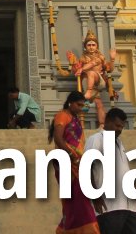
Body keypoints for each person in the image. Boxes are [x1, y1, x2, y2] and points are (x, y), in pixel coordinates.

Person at [85, 108, 136, 233]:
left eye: (122, 127)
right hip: (108, 206)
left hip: (130, 207)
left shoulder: (119, 143)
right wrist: (95, 197)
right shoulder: (96, 139)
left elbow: (125, 173)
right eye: (117, 125)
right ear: (107, 122)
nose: (119, 129)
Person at [49, 91, 99, 234]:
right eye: (78, 105)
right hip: (66, 162)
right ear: (70, 102)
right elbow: (58, 138)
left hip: (77, 162)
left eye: (83, 105)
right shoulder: (62, 115)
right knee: (77, 199)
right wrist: (72, 154)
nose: (80, 108)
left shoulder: (75, 118)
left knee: (77, 201)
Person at [71, 31, 116, 127]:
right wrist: (74, 64)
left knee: (91, 72)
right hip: (87, 83)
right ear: (85, 46)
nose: (91, 47)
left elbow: (108, 69)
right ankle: (102, 124)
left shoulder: (100, 57)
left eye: (93, 45)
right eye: (89, 45)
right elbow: (75, 70)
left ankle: (88, 92)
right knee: (99, 104)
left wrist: (112, 60)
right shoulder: (83, 58)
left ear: (97, 46)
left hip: (98, 82)